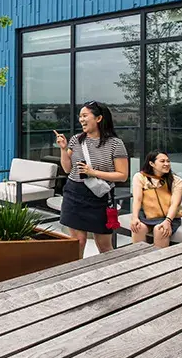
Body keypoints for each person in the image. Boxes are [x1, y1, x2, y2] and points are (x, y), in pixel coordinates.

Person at [54, 101, 129, 258]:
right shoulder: (76, 140)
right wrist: (62, 148)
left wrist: (93, 172)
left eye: (85, 115)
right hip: (74, 194)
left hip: (99, 197)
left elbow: (122, 175)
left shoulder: (115, 144)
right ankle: (78, 278)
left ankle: (110, 278)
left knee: (104, 246)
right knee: (78, 242)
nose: (81, 119)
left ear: (99, 118)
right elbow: (68, 169)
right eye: (80, 116)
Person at [130, 151, 182, 248]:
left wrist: (167, 221)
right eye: (162, 161)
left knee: (160, 229)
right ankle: (137, 259)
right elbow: (137, 199)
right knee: (138, 227)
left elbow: (175, 204)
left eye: (168, 161)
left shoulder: (176, 180)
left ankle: (159, 261)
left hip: (168, 217)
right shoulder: (140, 177)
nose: (166, 164)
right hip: (147, 215)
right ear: (151, 164)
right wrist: (135, 217)